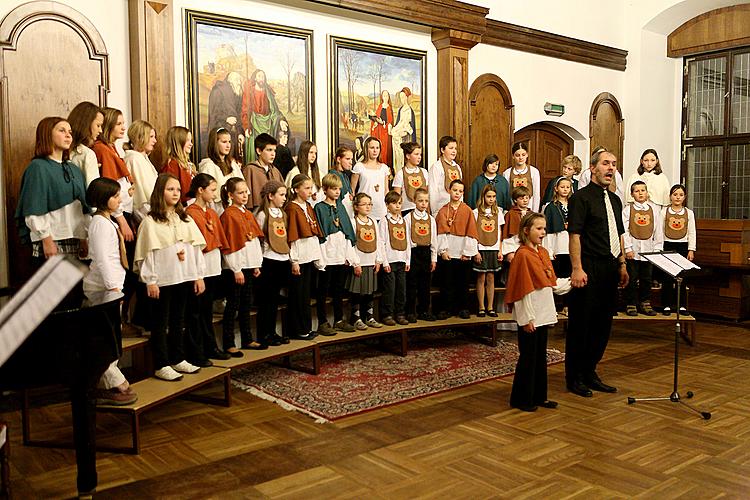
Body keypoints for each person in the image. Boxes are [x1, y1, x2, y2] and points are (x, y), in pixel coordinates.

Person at [567, 149, 629, 398]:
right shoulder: (580, 198)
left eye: (614, 164)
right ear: (593, 168)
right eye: (605, 163)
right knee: (582, 324)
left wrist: (622, 264)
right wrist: (576, 268)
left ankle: (590, 371)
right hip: (588, 267)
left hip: (610, 267)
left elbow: (619, 235)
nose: (611, 168)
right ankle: (574, 377)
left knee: (603, 325)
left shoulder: (614, 200)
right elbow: (575, 236)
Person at [134, 173, 206, 381]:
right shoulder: (150, 221)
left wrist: (198, 276)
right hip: (162, 280)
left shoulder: (185, 218)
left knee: (178, 320)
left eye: (177, 189)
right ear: (160, 192)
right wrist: (151, 280)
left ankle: (177, 357)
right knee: (160, 322)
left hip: (182, 276)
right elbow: (148, 253)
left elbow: (194, 249)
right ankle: (161, 363)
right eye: (170, 189)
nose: (175, 193)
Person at [505, 212, 570, 412]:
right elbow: (521, 290)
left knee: (540, 357)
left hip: (543, 313)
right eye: (539, 229)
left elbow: (551, 282)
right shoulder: (522, 255)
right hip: (531, 315)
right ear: (526, 231)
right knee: (528, 357)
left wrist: (574, 281)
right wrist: (526, 318)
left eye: (544, 228)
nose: (543, 232)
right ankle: (521, 399)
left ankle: (539, 396)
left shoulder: (541, 252)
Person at [83, 177, 137, 405]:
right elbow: (103, 258)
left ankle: (109, 382)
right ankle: (115, 380)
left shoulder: (108, 221)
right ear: (103, 199)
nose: (120, 198)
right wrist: (112, 286)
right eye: (115, 196)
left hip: (113, 284)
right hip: (105, 287)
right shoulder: (99, 223)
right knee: (106, 338)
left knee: (111, 337)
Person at [16, 117, 91, 268]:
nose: (68, 135)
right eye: (62, 131)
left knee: (75, 290)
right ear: (47, 134)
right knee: (52, 290)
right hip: (52, 238)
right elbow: (33, 209)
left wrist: (83, 237)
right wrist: (46, 239)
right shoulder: (38, 167)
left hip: (75, 238)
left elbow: (81, 208)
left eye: (70, 132)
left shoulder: (73, 169)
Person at [185, 174, 232, 363]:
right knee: (195, 312)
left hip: (213, 267)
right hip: (199, 268)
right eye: (212, 190)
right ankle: (197, 352)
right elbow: (194, 245)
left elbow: (218, 238)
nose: (215, 194)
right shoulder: (190, 212)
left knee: (207, 312)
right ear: (200, 190)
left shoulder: (211, 212)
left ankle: (210, 346)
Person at [219, 177, 265, 355]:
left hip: (247, 265)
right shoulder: (229, 215)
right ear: (230, 195)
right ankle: (228, 342)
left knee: (246, 303)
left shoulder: (246, 213)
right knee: (233, 305)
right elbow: (230, 244)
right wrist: (236, 268)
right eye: (240, 192)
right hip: (235, 269)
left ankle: (247, 338)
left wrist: (255, 264)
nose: (245, 195)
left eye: (246, 192)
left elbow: (252, 242)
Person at [314, 173, 358, 335]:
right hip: (327, 255)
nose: (337, 192)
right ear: (325, 190)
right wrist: (321, 259)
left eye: (339, 189)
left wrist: (349, 256)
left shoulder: (341, 207)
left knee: (338, 289)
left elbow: (346, 232)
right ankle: (323, 321)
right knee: (323, 290)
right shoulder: (319, 208)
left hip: (340, 255)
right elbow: (320, 234)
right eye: (333, 189)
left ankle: (339, 319)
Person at [285, 174, 324, 340]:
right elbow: (293, 236)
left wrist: (317, 258)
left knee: (306, 294)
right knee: (297, 295)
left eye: (311, 188)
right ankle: (297, 329)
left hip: (309, 256)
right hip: (299, 258)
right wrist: (294, 261)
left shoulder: (307, 206)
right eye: (307, 188)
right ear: (296, 189)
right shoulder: (292, 208)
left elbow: (313, 233)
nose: (310, 191)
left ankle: (306, 327)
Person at [255, 180, 292, 346]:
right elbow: (259, 240)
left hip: (282, 259)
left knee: (276, 300)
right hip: (269, 260)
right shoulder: (263, 214)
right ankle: (264, 333)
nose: (284, 198)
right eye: (281, 195)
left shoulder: (282, 213)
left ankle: (273, 332)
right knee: (267, 300)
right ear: (270, 196)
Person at [435, 179, 478, 319]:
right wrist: (443, 251)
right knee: (447, 283)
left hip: (462, 254)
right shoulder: (442, 211)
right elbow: (440, 233)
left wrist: (467, 252)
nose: (457, 193)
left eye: (460, 191)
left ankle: (463, 308)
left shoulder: (467, 211)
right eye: (455, 190)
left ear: (463, 193)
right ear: (449, 191)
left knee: (463, 283)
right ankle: (446, 309)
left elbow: (471, 232)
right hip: (448, 253)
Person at [92, 107, 135, 243]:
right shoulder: (102, 149)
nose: (123, 128)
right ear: (108, 125)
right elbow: (110, 189)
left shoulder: (111, 148)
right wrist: (121, 220)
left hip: (123, 211)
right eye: (118, 124)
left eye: (123, 123)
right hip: (116, 214)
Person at [622, 180, 663, 316]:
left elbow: (658, 231)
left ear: (647, 193)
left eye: (643, 190)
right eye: (637, 191)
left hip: (649, 250)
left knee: (646, 278)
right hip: (633, 251)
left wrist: (657, 249)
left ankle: (645, 302)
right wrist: (627, 248)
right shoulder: (628, 210)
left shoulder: (654, 210)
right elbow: (624, 230)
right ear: (632, 194)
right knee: (631, 278)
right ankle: (631, 303)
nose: (640, 193)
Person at [347, 192, 384, 329]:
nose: (368, 207)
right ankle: (355, 317)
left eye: (370, 204)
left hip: (371, 261)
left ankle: (369, 316)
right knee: (357, 291)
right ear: (356, 207)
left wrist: (378, 260)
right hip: (359, 262)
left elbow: (379, 241)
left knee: (370, 291)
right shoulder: (353, 221)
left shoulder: (373, 221)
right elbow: (350, 244)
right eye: (364, 204)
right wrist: (355, 262)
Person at [660, 184, 696, 315]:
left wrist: (691, 249)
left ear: (684, 197)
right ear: (670, 197)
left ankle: (681, 306)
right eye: (675, 194)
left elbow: (692, 232)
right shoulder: (664, 212)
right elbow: (659, 230)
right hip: (667, 245)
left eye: (680, 195)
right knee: (667, 277)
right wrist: (660, 248)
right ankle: (666, 305)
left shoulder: (689, 213)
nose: (677, 197)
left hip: (683, 246)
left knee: (682, 277)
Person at [404, 187, 437, 322]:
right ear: (414, 201)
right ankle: (410, 312)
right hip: (413, 253)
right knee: (411, 284)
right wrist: (407, 260)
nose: (424, 203)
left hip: (426, 253)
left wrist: (434, 258)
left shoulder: (431, 219)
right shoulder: (408, 218)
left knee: (425, 284)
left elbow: (434, 239)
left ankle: (424, 310)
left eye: (426, 201)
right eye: (421, 201)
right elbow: (405, 240)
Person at [378, 190, 411, 326]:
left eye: (399, 203)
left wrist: (407, 260)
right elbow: (381, 242)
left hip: (402, 259)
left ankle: (400, 313)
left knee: (401, 289)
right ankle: (387, 314)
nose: (397, 206)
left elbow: (407, 241)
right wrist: (385, 262)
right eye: (394, 203)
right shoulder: (384, 221)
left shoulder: (403, 221)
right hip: (390, 261)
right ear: (387, 205)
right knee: (389, 290)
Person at [473, 184, 504, 317]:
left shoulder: (498, 212)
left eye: (493, 197)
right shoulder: (475, 212)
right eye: (488, 196)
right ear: (483, 197)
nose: (491, 199)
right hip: (481, 248)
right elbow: (473, 233)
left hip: (494, 248)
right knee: (481, 278)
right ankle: (481, 307)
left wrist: (500, 250)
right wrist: (476, 251)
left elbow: (500, 233)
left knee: (491, 278)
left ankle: (490, 307)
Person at [198, 127, 243, 215]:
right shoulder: (208, 166)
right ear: (215, 143)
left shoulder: (233, 165)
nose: (228, 145)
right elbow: (206, 195)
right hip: (217, 210)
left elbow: (241, 186)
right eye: (224, 142)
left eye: (229, 142)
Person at [241, 69, 282, 163]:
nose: (261, 79)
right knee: (253, 151)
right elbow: (245, 109)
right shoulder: (249, 92)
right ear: (255, 78)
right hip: (254, 124)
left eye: (263, 76)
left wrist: (280, 119)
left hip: (267, 125)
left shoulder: (268, 92)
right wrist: (246, 126)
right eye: (259, 76)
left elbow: (274, 110)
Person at [123, 120, 159, 224]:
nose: (155, 141)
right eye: (151, 137)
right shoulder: (134, 159)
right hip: (145, 214)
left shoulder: (143, 158)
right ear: (140, 137)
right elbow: (141, 195)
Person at [207, 71, 245, 163]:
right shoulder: (219, 90)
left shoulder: (237, 94)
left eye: (240, 80)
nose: (239, 83)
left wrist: (240, 132)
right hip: (222, 129)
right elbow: (214, 113)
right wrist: (226, 119)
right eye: (237, 80)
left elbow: (238, 115)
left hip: (233, 134)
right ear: (230, 80)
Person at [351, 136, 391, 221]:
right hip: (363, 209)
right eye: (372, 148)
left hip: (381, 209)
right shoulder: (359, 166)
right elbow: (352, 190)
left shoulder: (384, 168)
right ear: (366, 149)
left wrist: (388, 207)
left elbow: (386, 190)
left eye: (377, 148)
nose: (375, 150)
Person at [244, 132, 284, 211]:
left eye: (274, 150)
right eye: (269, 150)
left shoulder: (275, 171)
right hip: (257, 211)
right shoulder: (250, 169)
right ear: (259, 151)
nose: (273, 154)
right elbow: (247, 199)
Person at [542, 177, 573, 278]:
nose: (565, 189)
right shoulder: (551, 207)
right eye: (562, 187)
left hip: (573, 247)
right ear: (556, 188)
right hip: (559, 248)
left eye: (568, 187)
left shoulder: (574, 205)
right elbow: (548, 233)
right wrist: (550, 252)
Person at [67, 101, 103, 187]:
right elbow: (93, 192)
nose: (100, 130)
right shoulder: (87, 154)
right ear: (86, 124)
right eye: (98, 125)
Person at [503, 141, 541, 212]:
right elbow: (507, 195)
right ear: (513, 156)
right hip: (513, 209)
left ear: (527, 155)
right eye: (517, 155)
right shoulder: (507, 173)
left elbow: (536, 194)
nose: (521, 158)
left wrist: (534, 212)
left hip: (529, 209)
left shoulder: (534, 171)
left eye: (523, 155)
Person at [162, 126, 196, 204]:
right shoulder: (172, 165)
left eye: (191, 140)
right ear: (178, 142)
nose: (191, 144)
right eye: (187, 140)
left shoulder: (188, 165)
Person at [391, 142, 428, 215]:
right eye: (416, 154)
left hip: (423, 210)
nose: (419, 157)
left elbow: (427, 192)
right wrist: (398, 214)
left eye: (420, 154)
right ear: (408, 156)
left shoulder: (424, 172)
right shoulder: (400, 173)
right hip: (407, 209)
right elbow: (396, 197)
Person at [285, 140, 325, 205]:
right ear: (304, 153)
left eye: (315, 153)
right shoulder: (295, 172)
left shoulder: (319, 173)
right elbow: (289, 195)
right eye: (311, 152)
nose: (314, 156)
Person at [428, 135, 461, 215]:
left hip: (456, 209)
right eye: (450, 148)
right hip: (441, 208)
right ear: (442, 150)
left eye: (455, 148)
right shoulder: (436, 167)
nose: (454, 151)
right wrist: (435, 212)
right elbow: (433, 191)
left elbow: (460, 189)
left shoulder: (457, 167)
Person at [501, 186, 531, 263]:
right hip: (514, 246)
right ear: (515, 200)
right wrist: (510, 251)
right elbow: (507, 235)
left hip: (528, 247)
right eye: (521, 198)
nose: (525, 200)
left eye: (526, 198)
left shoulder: (531, 214)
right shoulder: (510, 214)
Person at [390, 87, 416, 174]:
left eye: (404, 97)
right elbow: (399, 122)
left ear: (407, 97)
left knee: (401, 154)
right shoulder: (401, 109)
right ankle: (397, 170)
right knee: (396, 155)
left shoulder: (409, 111)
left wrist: (404, 132)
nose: (402, 100)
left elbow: (410, 128)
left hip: (404, 136)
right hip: (398, 133)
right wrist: (393, 129)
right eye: (401, 98)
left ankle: (401, 171)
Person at [369, 89, 393, 167]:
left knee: (384, 148)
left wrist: (383, 123)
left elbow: (390, 120)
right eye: (384, 95)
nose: (385, 97)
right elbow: (377, 116)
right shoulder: (380, 106)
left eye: (387, 95)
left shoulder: (389, 108)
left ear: (388, 97)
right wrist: (375, 121)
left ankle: (385, 165)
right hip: (379, 129)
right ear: (382, 97)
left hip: (385, 130)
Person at [330, 146, 355, 217]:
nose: (351, 162)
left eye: (351, 159)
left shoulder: (345, 176)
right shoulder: (333, 176)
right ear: (338, 159)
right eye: (347, 159)